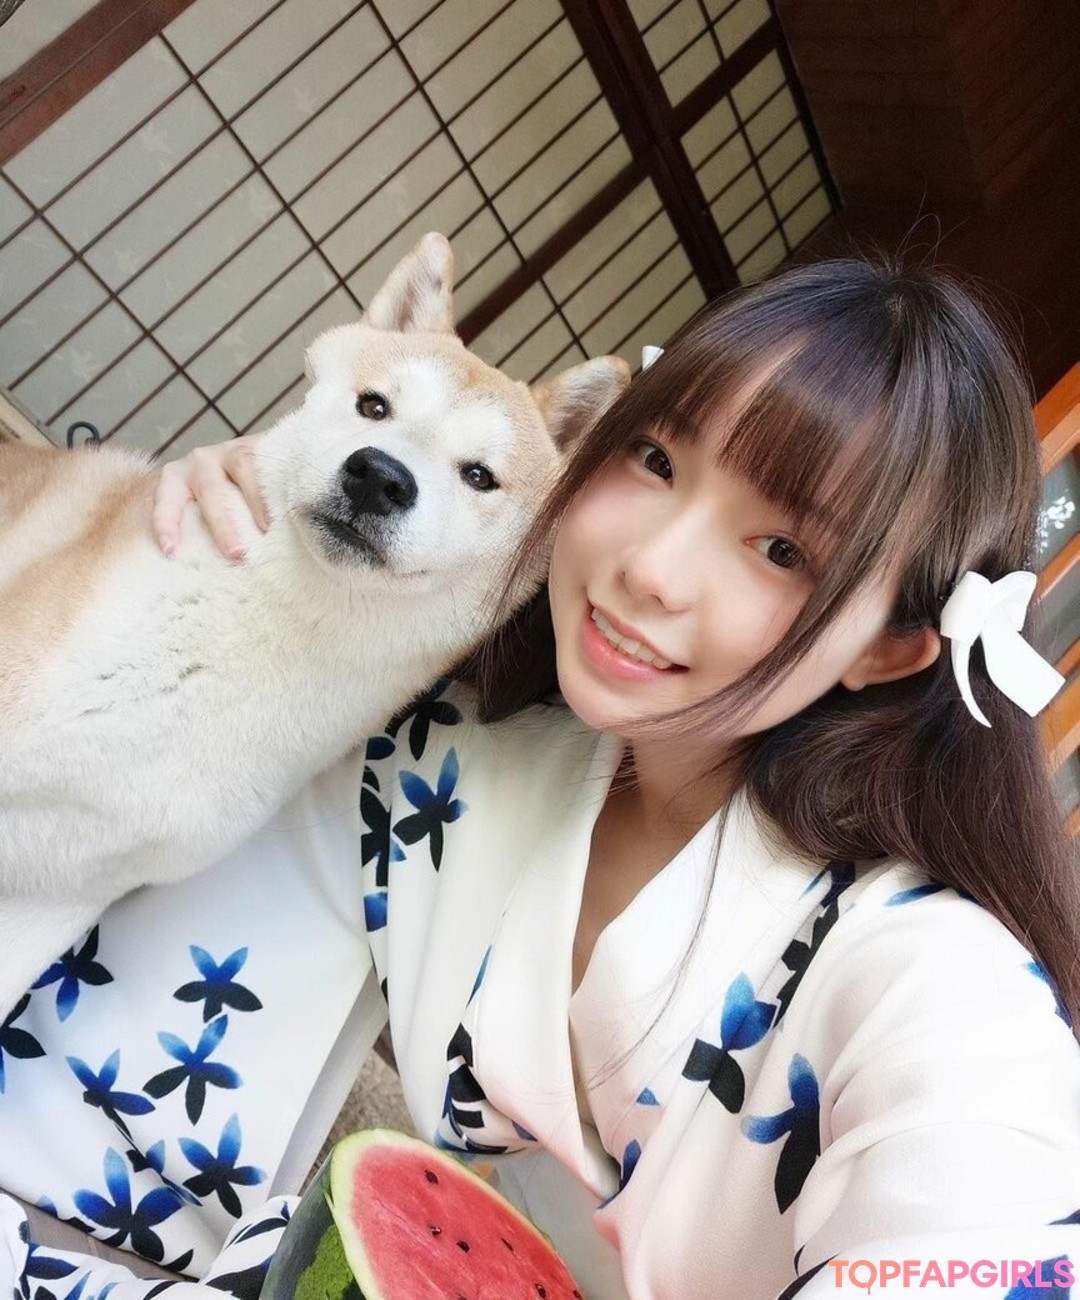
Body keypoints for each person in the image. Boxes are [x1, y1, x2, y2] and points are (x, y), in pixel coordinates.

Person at [2, 258, 1079, 1299]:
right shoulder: (439, 749)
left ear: (887, 648)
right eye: (656, 460)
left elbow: (1001, 1232)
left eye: (783, 551)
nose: (650, 568)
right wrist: (194, 533)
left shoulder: (933, 984)